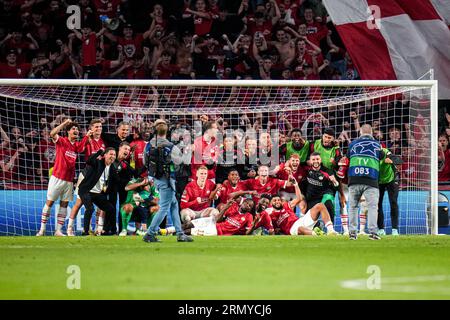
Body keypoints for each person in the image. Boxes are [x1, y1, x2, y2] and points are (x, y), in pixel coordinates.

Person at [143, 119, 193, 242]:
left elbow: (145, 162)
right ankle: (150, 233)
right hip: (168, 180)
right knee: (165, 207)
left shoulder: (148, 145)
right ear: (167, 131)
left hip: (156, 178)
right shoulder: (170, 146)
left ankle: (180, 233)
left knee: (174, 205)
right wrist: (189, 151)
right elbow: (183, 163)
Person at [36, 119, 87, 236]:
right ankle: (42, 229)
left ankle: (58, 230)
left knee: (64, 204)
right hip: (57, 178)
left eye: (77, 129)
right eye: (73, 129)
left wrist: (87, 136)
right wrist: (64, 123)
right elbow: (52, 134)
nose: (76, 131)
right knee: (49, 203)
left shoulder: (77, 146)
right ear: (68, 131)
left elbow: (82, 146)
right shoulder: (62, 141)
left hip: (69, 180)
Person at [67, 118, 105, 236]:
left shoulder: (103, 142)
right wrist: (86, 138)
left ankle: (98, 229)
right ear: (91, 129)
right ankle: (69, 229)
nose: (99, 129)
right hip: (86, 175)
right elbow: (81, 150)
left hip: (98, 176)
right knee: (79, 203)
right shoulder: (88, 140)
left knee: (100, 204)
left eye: (100, 126)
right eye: (96, 127)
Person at [347, 124, 385, 240]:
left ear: (360, 132)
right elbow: (382, 156)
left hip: (354, 179)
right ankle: (373, 233)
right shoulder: (377, 145)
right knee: (373, 207)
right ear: (372, 133)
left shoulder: (352, 144)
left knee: (353, 206)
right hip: (371, 180)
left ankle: (352, 233)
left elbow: (348, 156)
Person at [78, 148, 118, 235]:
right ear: (105, 155)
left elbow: (116, 180)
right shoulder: (98, 162)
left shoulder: (112, 167)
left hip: (97, 193)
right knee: (90, 208)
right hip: (86, 190)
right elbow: (89, 161)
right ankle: (85, 232)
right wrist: (99, 152)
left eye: (114, 155)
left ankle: (108, 231)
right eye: (111, 154)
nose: (113, 156)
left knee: (110, 208)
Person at [182, 197, 255, 236]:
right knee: (188, 224)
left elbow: (247, 233)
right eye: (247, 203)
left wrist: (255, 223)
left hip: (217, 231)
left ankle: (176, 234)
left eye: (250, 206)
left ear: (250, 209)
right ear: (243, 203)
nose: (247, 206)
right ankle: (171, 230)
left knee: (189, 231)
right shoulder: (233, 207)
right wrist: (226, 207)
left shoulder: (249, 216)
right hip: (213, 222)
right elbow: (217, 220)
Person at [302, 152, 339, 222]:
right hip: (312, 198)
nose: (316, 161)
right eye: (313, 159)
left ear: (320, 160)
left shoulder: (328, 171)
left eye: (317, 159)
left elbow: (336, 187)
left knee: (328, 201)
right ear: (309, 161)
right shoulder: (306, 170)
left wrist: (334, 181)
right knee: (310, 222)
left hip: (324, 195)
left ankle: (330, 229)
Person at [377, 148, 402, 236]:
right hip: (379, 181)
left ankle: (394, 229)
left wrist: (392, 161)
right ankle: (380, 229)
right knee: (377, 204)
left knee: (393, 202)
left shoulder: (385, 152)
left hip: (392, 179)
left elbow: (399, 160)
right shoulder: (370, 156)